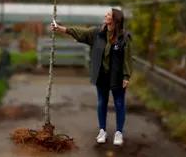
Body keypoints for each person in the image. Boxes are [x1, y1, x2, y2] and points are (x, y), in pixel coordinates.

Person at [50, 8, 132, 146]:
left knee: (119, 103)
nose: (105, 15)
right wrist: (60, 28)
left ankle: (119, 132)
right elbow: (80, 32)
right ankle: (102, 131)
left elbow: (127, 58)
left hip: (117, 76)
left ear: (115, 19)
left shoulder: (124, 37)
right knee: (101, 102)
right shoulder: (97, 33)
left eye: (108, 14)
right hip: (101, 75)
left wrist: (126, 76)